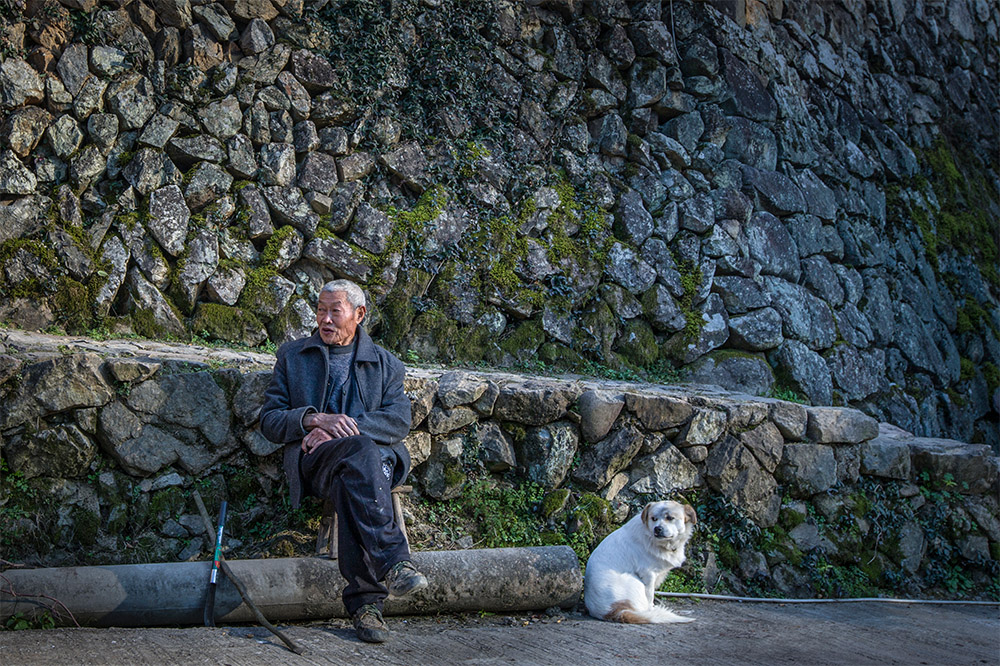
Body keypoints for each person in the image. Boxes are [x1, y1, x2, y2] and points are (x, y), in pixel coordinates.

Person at [259, 278, 427, 643]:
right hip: (316, 460)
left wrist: (343, 429)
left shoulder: (387, 365)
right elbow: (270, 420)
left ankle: (367, 608)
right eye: (321, 310)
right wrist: (314, 419)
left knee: (357, 469)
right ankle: (393, 565)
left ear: (359, 314)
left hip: (367, 463)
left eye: (335, 310)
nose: (325, 319)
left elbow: (398, 420)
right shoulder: (293, 356)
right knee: (361, 458)